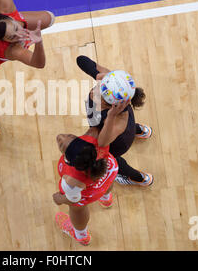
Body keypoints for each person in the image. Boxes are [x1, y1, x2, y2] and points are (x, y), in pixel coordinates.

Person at [52, 102, 128, 245]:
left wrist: (59, 199)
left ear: (73, 162)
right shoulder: (96, 138)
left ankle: (81, 236)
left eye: (62, 144)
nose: (60, 137)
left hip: (90, 190)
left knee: (77, 209)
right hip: (108, 173)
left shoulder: (72, 181)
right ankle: (106, 198)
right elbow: (114, 124)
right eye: (68, 136)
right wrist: (113, 114)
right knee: (106, 184)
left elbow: (73, 199)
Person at [77, 55, 153, 186]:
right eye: (100, 90)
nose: (96, 95)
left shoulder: (120, 119)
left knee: (112, 161)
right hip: (117, 126)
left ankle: (138, 178)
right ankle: (139, 130)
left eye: (102, 98)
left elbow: (101, 142)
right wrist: (96, 73)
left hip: (119, 142)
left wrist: (111, 117)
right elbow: (81, 60)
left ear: (113, 105)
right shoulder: (111, 81)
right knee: (130, 127)